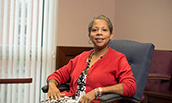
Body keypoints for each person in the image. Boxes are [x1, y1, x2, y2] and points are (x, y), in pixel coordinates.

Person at [46, 15, 136, 103]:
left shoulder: (118, 59)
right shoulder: (81, 57)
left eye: (104, 30)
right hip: (72, 99)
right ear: (89, 35)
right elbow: (57, 75)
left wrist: (98, 91)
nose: (99, 33)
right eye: (94, 30)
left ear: (111, 35)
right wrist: (52, 85)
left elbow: (130, 87)